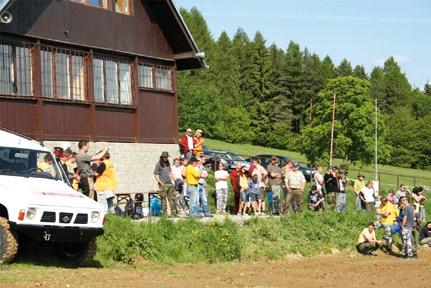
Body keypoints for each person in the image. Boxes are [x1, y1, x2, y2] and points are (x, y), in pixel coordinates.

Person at [154, 151, 177, 217]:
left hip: (169, 183)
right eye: (165, 157)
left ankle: (173, 213)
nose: (166, 158)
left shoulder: (168, 163)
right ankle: (164, 214)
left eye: (167, 157)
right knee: (163, 199)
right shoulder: (158, 164)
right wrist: (161, 183)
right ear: (162, 157)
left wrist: (174, 180)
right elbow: (155, 174)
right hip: (163, 184)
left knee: (172, 198)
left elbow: (170, 173)